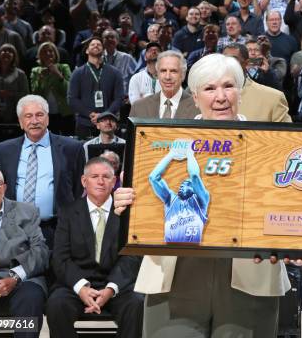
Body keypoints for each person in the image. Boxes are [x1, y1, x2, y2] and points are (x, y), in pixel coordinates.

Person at [114, 53, 290, 337]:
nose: (220, 97)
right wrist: (125, 201)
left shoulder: (271, 145)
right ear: (194, 97)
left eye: (228, 86)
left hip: (250, 273)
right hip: (174, 271)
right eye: (209, 89)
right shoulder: (161, 143)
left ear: (241, 91)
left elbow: (292, 203)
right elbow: (143, 192)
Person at [47, 157, 143, 338]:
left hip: (116, 283)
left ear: (114, 182)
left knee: (136, 302)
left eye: (106, 177)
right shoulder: (68, 212)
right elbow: (61, 257)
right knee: (56, 304)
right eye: (94, 176)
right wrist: (82, 287)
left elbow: (131, 256)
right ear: (84, 181)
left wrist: (110, 289)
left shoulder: (129, 213)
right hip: (77, 284)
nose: (100, 181)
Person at [0, 165, 49, 338]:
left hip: (17, 281)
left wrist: (15, 277)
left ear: (4, 187)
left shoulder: (26, 212)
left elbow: (40, 250)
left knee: (31, 297)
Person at [0, 94, 84, 247]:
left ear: (47, 118)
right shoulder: (4, 150)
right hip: (16, 230)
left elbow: (78, 188)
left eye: (39, 115)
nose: (34, 121)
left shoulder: (72, 148)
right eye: (28, 116)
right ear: (21, 122)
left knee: (55, 271)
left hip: (57, 230)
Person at [68, 37, 125, 140]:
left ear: (103, 50)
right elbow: (72, 99)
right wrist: (90, 114)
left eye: (99, 44)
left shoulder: (115, 73)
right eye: (92, 44)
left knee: (111, 155)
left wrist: (105, 115)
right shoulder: (77, 73)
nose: (96, 46)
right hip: (85, 123)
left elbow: (119, 98)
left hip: (109, 123)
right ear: (86, 50)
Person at [222, 43, 293, 122]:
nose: (227, 64)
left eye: (233, 60)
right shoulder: (209, 96)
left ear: (246, 63)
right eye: (224, 60)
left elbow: (286, 134)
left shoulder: (274, 98)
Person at [129, 50, 199, 119]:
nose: (167, 77)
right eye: (163, 71)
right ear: (157, 75)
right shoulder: (139, 107)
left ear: (183, 75)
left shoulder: (198, 107)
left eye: (173, 71)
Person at [30, 42, 73, 135]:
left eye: (50, 51)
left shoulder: (64, 67)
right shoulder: (35, 71)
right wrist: (41, 78)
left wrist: (58, 74)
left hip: (64, 113)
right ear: (40, 55)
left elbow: (68, 90)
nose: (48, 54)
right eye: (44, 52)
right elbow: (35, 94)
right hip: (45, 115)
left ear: (55, 53)